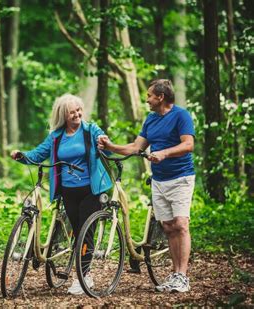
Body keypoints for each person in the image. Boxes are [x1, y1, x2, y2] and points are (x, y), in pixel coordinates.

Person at [98, 79, 195, 293]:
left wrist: (164, 152)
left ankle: (182, 276)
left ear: (160, 97)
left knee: (181, 224)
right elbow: (135, 147)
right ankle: (175, 274)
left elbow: (188, 144)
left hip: (181, 177)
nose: (147, 100)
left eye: (150, 96)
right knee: (169, 227)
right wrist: (110, 146)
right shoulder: (150, 120)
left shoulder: (181, 115)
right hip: (159, 179)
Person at [10, 94, 112, 295]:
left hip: (91, 190)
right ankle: (83, 271)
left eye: (79, 110)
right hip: (68, 191)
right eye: (72, 112)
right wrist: (21, 156)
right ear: (63, 115)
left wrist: (105, 143)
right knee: (77, 231)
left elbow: (106, 148)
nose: (77, 114)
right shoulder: (56, 137)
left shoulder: (91, 130)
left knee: (85, 231)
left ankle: (84, 277)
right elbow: (38, 154)